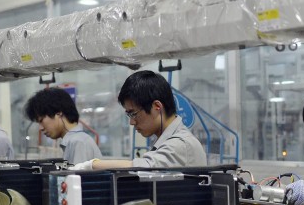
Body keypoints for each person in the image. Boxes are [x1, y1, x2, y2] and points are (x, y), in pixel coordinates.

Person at [72, 70, 206, 169]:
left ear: (156, 106)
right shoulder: (165, 141)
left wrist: (91, 165)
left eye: (133, 113)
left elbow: (139, 167)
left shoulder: (181, 144)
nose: (132, 122)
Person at [24, 87, 101, 164]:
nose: (41, 128)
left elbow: (76, 176)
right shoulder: (73, 141)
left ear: (58, 113)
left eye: (41, 121)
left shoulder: (78, 142)